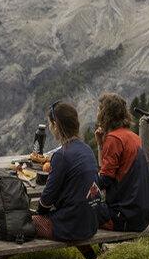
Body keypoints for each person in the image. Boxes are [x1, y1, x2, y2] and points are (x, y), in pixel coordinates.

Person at [32, 101, 99, 242]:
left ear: (56, 126)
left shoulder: (62, 155)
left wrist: (39, 214)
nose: (50, 127)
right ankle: (90, 256)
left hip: (71, 227)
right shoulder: (87, 150)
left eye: (50, 124)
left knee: (20, 223)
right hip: (91, 223)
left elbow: (46, 200)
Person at [90, 92, 149, 232]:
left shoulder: (114, 139)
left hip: (124, 217)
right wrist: (100, 145)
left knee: (80, 210)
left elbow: (104, 180)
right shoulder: (133, 137)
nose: (97, 114)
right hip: (141, 216)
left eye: (98, 110)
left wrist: (82, 181)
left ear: (105, 114)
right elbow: (108, 172)